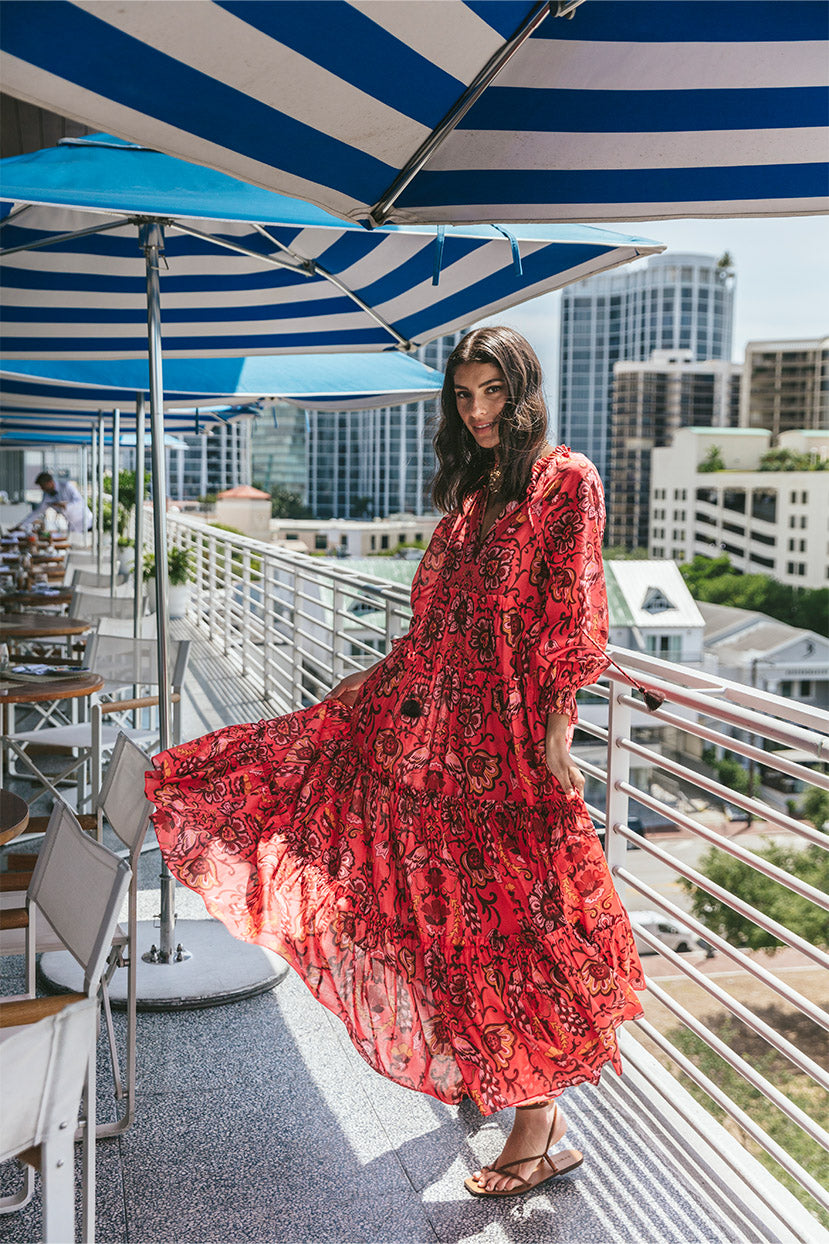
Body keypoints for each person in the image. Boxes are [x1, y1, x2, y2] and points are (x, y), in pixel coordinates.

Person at [146, 326, 645, 1199]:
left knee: (517, 927)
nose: (479, 410)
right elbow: (437, 626)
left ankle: (536, 1117)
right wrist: (369, 680)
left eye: (494, 393)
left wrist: (561, 729)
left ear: (523, 393)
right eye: (464, 395)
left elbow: (571, 614)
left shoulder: (566, 481)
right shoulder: (471, 491)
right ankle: (519, 1096)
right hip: (425, 737)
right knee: (440, 920)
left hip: (510, 744)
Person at [10, 471, 92, 534]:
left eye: (43, 486)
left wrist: (65, 505)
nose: (42, 489)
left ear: (50, 482)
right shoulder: (47, 495)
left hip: (86, 522)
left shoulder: (66, 486)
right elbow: (36, 513)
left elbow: (80, 502)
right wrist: (21, 525)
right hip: (72, 527)